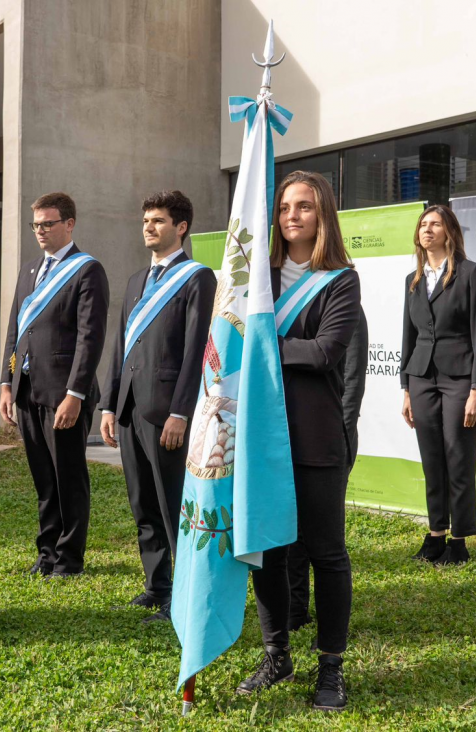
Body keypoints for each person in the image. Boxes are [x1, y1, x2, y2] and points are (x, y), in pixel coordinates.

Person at [236, 171, 360, 713]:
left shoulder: (340, 280)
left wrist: (261, 344)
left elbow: (326, 352)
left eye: (304, 206)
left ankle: (331, 667)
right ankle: (276, 654)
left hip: (313, 437)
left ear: (322, 214)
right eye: (285, 206)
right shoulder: (256, 276)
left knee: (327, 554)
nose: (292, 215)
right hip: (260, 435)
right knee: (268, 552)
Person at [100, 190, 216, 623]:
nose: (149, 227)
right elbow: (120, 348)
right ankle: (157, 586)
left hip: (167, 412)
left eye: (159, 221)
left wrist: (181, 413)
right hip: (130, 409)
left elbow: (195, 350)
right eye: (146, 220)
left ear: (181, 227)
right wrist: (109, 405)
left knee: (172, 508)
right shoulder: (135, 280)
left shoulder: (197, 278)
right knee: (143, 505)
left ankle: (184, 594)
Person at [0, 192, 109, 580]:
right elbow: (15, 329)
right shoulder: (29, 270)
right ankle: (46, 551)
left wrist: (76, 394)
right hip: (27, 389)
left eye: (48, 224)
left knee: (68, 477)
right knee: (43, 477)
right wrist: (6, 383)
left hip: (65, 393)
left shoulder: (86, 270)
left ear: (69, 224)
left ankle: (69, 558)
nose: (40, 231)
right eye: (36, 225)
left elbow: (90, 338)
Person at [401, 204, 476, 566]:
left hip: (459, 379)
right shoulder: (413, 279)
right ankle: (435, 534)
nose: (427, 229)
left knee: (458, 456)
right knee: (432, 459)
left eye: (435, 224)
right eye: (423, 224)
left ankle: (459, 541)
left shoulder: (471, 273)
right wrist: (406, 388)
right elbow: (408, 335)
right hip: (421, 378)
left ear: (449, 232)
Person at [286, 307, 367, 633]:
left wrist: (341, 437)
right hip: (294, 439)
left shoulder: (348, 309)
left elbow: (352, 381)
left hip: (333, 440)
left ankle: (328, 630)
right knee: (292, 534)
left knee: (322, 540)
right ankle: (295, 609)